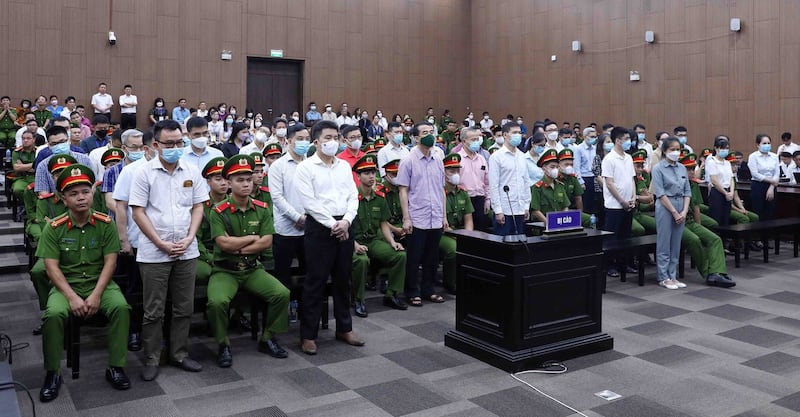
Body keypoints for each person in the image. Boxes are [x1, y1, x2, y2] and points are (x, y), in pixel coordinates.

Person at [36, 164, 131, 402]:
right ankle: (52, 373)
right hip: (66, 285)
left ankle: (116, 367)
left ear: (92, 193)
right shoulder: (53, 227)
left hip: (100, 283)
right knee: (53, 314)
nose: (81, 198)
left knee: (121, 308)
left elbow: (110, 262)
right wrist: (71, 297)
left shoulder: (105, 224)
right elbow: (51, 267)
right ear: (63, 199)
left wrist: (97, 294)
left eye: (85, 191)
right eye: (73, 193)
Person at [129, 120, 207, 381]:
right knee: (154, 310)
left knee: (184, 307)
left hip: (186, 250)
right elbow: (138, 211)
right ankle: (152, 357)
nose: (175, 148)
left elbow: (198, 206)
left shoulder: (192, 171)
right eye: (169, 144)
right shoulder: (143, 173)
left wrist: (189, 237)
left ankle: (180, 353)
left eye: (179, 143)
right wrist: (160, 243)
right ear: (155, 145)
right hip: (154, 252)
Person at [207, 155, 290, 366]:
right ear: (229, 183)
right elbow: (223, 244)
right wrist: (252, 238)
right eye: (239, 180)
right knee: (217, 302)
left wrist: (239, 247)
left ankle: (268, 337)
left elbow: (266, 242)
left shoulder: (261, 208)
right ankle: (223, 343)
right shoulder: (217, 211)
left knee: (282, 294)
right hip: (225, 271)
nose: (245, 184)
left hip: (252, 269)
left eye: (248, 179)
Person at [294, 120, 363, 355]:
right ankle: (308, 335)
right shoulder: (306, 168)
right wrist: (334, 224)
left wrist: (346, 221)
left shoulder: (344, 166)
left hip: (344, 224)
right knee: (316, 281)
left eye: (336, 137)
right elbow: (309, 203)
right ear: (316, 141)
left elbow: (353, 196)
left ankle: (344, 327)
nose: (333, 142)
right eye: (328, 138)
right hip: (320, 228)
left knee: (344, 279)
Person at [397, 121, 447, 307]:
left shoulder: (438, 159)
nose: (430, 135)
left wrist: (444, 217)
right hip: (417, 216)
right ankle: (412, 291)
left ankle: (429, 289)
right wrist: (406, 218)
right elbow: (403, 190)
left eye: (431, 131)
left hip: (435, 215)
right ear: (416, 137)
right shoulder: (408, 160)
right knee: (414, 257)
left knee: (432, 257)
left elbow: (441, 189)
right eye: (425, 132)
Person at [351, 154, 408, 316]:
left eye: (373, 173)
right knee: (361, 261)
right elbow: (346, 225)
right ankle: (358, 299)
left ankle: (392, 294)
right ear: (358, 175)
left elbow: (383, 223)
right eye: (366, 173)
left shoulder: (379, 198)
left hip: (372, 240)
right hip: (354, 240)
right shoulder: (352, 197)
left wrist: (391, 242)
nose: (371, 176)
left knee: (399, 254)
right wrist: (354, 244)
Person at [681, 153, 736, 288]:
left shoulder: (693, 184)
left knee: (715, 239)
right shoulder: (676, 183)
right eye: (688, 169)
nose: (691, 172)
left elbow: (696, 207)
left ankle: (718, 271)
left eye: (693, 168)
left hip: (690, 221)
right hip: (677, 223)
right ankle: (709, 273)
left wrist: (699, 227)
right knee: (695, 240)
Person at [650, 137, 691, 290]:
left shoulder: (681, 168)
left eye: (678, 149)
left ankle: (672, 275)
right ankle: (663, 276)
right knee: (664, 242)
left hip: (681, 205)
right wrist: (674, 212)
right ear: (665, 151)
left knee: (676, 243)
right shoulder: (658, 168)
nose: (676, 152)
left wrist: (684, 211)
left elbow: (687, 191)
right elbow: (660, 193)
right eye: (672, 149)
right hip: (666, 206)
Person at [602, 127, 636, 278]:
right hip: (614, 205)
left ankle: (625, 263)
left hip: (628, 204)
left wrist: (633, 198)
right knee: (612, 237)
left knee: (625, 236)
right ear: (618, 140)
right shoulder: (609, 159)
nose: (629, 142)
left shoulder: (628, 157)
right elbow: (609, 183)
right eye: (626, 139)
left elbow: (632, 179)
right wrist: (622, 201)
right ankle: (610, 265)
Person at [488, 122, 530, 236]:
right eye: (514, 133)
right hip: (505, 209)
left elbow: (526, 182)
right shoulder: (496, 157)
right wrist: (498, 210)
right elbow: (494, 185)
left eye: (519, 133)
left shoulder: (522, 156)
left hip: (520, 208)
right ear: (505, 135)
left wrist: (526, 206)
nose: (518, 135)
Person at [439, 153, 473, 294]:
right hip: (443, 233)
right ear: (443, 172)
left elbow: (468, 218)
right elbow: (442, 225)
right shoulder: (439, 191)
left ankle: (468, 280)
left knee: (475, 244)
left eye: (457, 170)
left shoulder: (463, 193)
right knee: (454, 249)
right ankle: (450, 283)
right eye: (451, 171)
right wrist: (456, 235)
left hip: (460, 232)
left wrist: (468, 235)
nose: (455, 174)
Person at [34, 126, 96, 195]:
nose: (59, 146)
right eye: (54, 144)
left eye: (62, 142)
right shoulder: (43, 165)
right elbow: (43, 192)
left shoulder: (84, 159)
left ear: (68, 140)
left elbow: (93, 184)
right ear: (48, 145)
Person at [456, 126, 491, 231]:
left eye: (478, 139)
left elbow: (487, 181)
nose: (477, 142)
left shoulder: (481, 158)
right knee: (466, 232)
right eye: (473, 139)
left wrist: (488, 199)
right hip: (464, 199)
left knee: (481, 231)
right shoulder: (457, 158)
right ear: (464, 141)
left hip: (480, 199)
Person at [529, 149, 570, 224]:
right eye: (552, 167)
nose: (555, 169)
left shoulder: (560, 186)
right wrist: (549, 223)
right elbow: (535, 211)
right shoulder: (537, 188)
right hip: (542, 225)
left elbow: (565, 206)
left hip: (559, 224)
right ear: (544, 168)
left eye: (557, 167)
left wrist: (563, 221)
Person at [748, 134, 780, 221]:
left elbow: (777, 173)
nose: (767, 145)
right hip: (758, 185)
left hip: (772, 186)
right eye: (764, 143)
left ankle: (768, 234)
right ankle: (757, 233)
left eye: (768, 143)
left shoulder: (774, 156)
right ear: (758, 145)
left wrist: (772, 187)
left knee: (770, 212)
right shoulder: (753, 156)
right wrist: (772, 181)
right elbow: (755, 174)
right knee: (758, 212)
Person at [705, 136, 734, 227]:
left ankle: (725, 239)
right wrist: (725, 193)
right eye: (722, 148)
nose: (725, 150)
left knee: (726, 218)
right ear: (716, 148)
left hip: (728, 192)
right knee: (716, 218)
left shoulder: (727, 163)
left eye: (727, 148)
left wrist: (731, 192)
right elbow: (714, 180)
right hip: (717, 193)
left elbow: (731, 179)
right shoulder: (712, 162)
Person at [12, 129, 37, 219]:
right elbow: (16, 168)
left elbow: (38, 168)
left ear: (34, 139)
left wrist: (23, 166)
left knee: (37, 190)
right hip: (22, 178)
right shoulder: (17, 152)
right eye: (23, 138)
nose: (25, 140)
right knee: (17, 189)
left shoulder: (38, 151)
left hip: (35, 177)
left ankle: (30, 209)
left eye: (28, 138)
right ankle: (27, 207)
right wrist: (33, 165)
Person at [631, 150, 656, 236]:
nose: (640, 169)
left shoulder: (640, 179)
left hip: (638, 213)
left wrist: (638, 198)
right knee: (639, 230)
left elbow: (649, 199)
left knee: (659, 225)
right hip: (628, 214)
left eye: (642, 166)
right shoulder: (627, 179)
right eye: (637, 166)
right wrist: (639, 198)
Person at [575, 127, 599, 214]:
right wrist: (580, 181)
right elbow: (576, 166)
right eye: (592, 136)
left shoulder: (595, 148)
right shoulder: (578, 148)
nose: (594, 139)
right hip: (584, 178)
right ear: (585, 137)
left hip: (595, 178)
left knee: (594, 202)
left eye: (595, 137)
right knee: (586, 203)